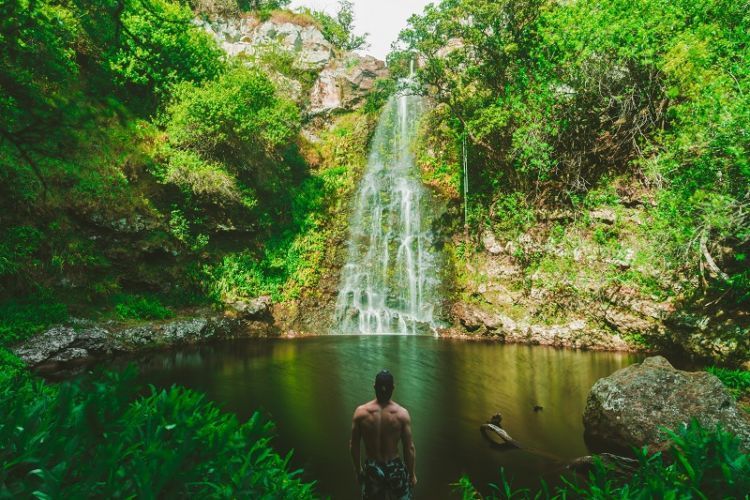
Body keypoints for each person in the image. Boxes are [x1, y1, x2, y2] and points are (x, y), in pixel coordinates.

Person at [350, 370, 416, 500]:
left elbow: (353, 445)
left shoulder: (361, 413)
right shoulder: (401, 414)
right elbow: (409, 448)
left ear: (374, 386)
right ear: (393, 388)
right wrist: (411, 474)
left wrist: (358, 471)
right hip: (394, 469)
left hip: (372, 469)